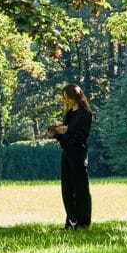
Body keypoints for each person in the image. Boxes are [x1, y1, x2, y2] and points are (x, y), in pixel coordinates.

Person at [46, 83, 93, 229]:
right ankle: (71, 221)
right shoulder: (70, 113)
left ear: (76, 96)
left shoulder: (85, 113)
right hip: (67, 152)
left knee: (80, 189)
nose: (66, 101)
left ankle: (83, 222)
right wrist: (57, 134)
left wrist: (66, 131)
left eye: (68, 98)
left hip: (78, 153)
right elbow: (66, 135)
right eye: (65, 98)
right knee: (67, 189)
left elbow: (81, 135)